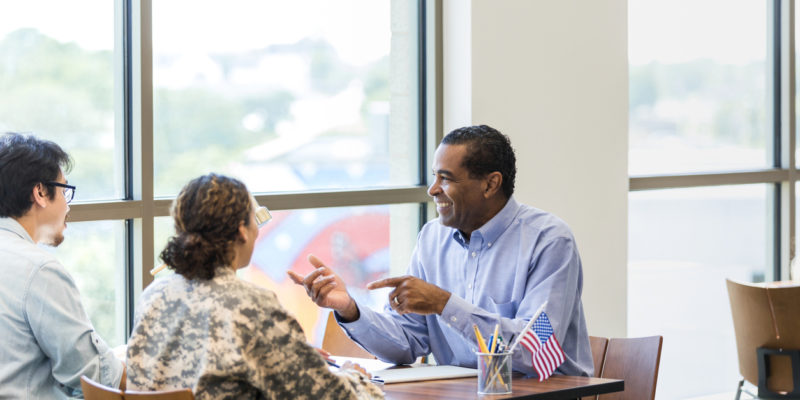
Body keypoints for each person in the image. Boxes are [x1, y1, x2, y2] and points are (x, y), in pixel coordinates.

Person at [289, 125, 593, 378]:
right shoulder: (432, 239)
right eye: (435, 176)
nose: (432, 189)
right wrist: (349, 309)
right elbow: (407, 342)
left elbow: (535, 351)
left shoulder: (550, 241)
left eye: (445, 178)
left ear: (491, 184)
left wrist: (446, 305)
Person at [126, 173, 383, 400]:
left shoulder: (154, 295)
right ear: (242, 230)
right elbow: (332, 397)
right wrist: (356, 377)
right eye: (254, 220)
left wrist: (292, 354)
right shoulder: (254, 306)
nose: (258, 232)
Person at [0, 133, 126, 398]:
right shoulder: (39, 270)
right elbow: (93, 377)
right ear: (41, 192)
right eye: (65, 191)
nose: (68, 207)